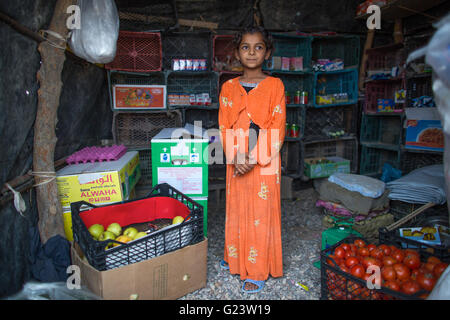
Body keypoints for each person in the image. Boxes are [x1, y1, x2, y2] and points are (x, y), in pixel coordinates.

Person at [218, 25, 286, 293]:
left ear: (267, 53)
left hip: (265, 162)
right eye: (245, 47)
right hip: (236, 160)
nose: (251, 52)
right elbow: (224, 125)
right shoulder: (228, 87)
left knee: (261, 213)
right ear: (237, 53)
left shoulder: (275, 86)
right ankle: (235, 258)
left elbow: (277, 125)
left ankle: (257, 269)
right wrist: (236, 157)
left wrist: (255, 157)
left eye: (258, 47)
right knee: (236, 208)